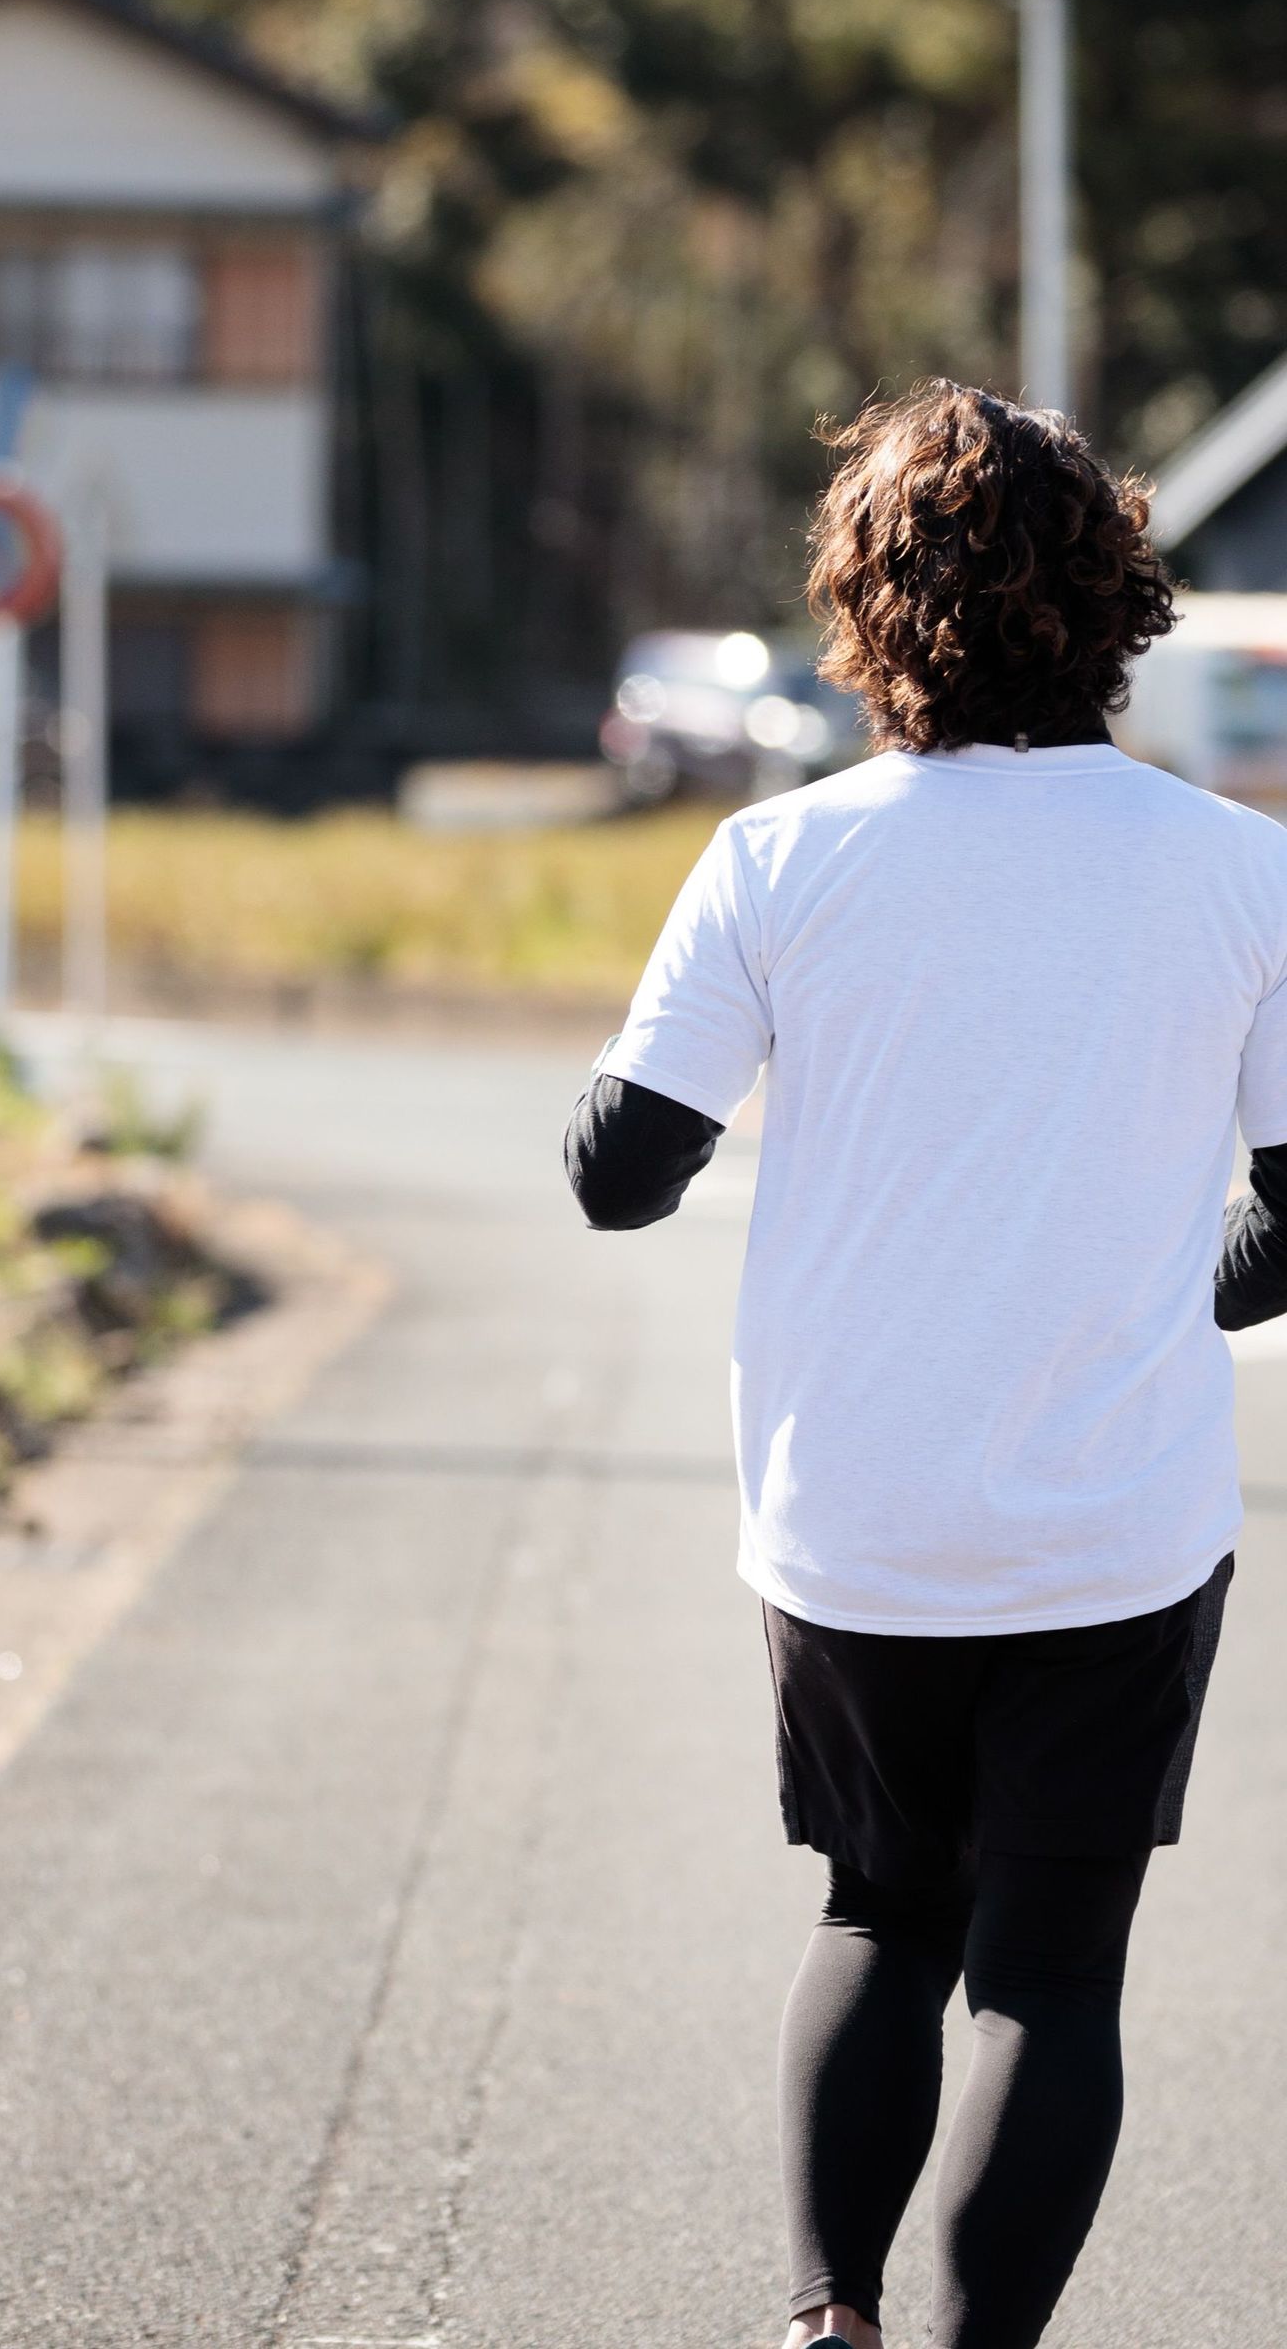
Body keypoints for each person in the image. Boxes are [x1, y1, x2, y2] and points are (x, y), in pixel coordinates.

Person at [567, 381, 1284, 2349]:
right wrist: (1171, 1286)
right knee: (1051, 1977)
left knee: (881, 1916)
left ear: (869, 608)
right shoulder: (1237, 873)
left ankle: (828, 2324)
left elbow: (622, 1181)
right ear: (1118, 599)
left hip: (851, 1517)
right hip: (1116, 1529)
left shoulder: (776, 862)